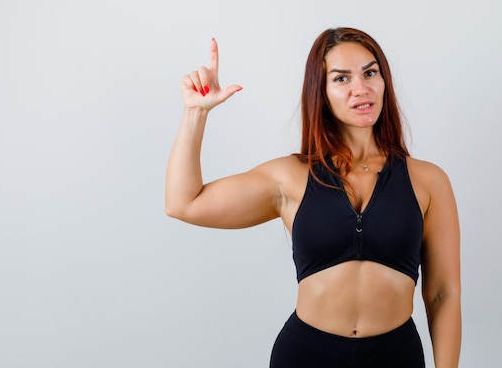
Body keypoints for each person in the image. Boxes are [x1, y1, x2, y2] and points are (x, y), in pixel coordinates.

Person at [166, 27, 461, 368]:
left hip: (396, 357)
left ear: (384, 80)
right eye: (341, 79)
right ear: (320, 92)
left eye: (369, 73)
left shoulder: (428, 180)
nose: (360, 89)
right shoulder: (289, 177)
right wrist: (195, 113)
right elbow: (183, 203)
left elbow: (443, 294)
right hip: (306, 355)